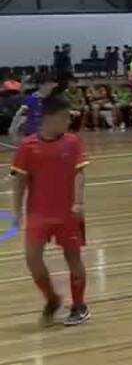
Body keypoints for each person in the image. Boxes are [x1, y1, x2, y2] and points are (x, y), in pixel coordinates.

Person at [9, 94, 91, 325]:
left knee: (73, 257)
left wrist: (79, 203)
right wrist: (16, 212)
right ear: (48, 118)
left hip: (68, 213)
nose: (68, 121)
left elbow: (79, 173)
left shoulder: (73, 142)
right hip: (38, 213)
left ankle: (79, 305)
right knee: (32, 258)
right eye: (64, 117)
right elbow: (19, 181)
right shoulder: (28, 146)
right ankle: (51, 298)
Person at [9, 74, 57, 138]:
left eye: (52, 84)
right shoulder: (33, 98)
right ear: (41, 85)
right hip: (33, 133)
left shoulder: (54, 99)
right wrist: (13, 128)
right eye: (49, 84)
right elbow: (19, 114)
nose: (52, 86)